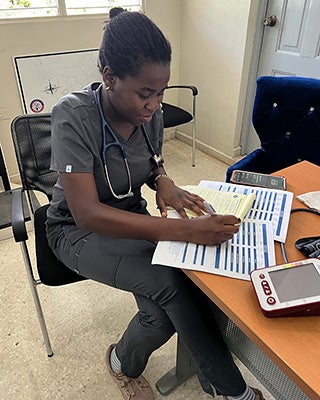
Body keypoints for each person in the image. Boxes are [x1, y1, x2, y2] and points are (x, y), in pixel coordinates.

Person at [46, 8, 265, 400]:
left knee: (164, 313)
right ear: (109, 77)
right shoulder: (73, 115)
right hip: (75, 232)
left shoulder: (152, 114)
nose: (154, 105)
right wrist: (183, 230)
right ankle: (234, 392)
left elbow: (150, 162)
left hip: (131, 217)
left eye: (161, 93)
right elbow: (86, 213)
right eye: (145, 94)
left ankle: (121, 363)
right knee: (171, 283)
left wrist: (164, 181)